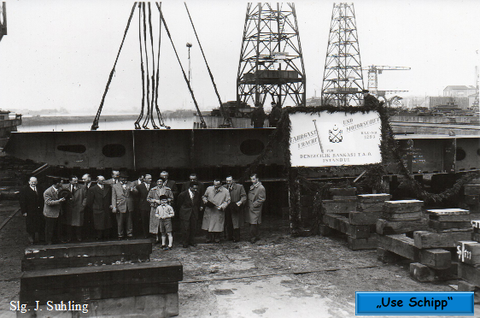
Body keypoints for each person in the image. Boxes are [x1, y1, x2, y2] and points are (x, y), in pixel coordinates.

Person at [202, 178, 231, 243]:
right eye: (214, 184)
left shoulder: (225, 191)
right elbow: (204, 196)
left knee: (218, 225)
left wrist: (222, 206)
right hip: (209, 210)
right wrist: (205, 201)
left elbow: (228, 200)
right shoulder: (209, 189)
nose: (215, 186)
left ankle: (217, 238)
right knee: (208, 225)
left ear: (221, 184)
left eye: (217, 185)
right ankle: (208, 238)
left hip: (218, 210)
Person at [19, 176, 44, 244]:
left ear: (37, 182)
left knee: (40, 223)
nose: (33, 183)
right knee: (30, 225)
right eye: (32, 182)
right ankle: (31, 239)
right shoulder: (25, 190)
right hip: (30, 211)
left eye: (35, 182)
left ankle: (40, 239)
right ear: (29, 182)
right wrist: (24, 211)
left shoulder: (40, 189)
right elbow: (22, 201)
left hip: (39, 210)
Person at [147, 178, 174, 243]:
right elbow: (148, 198)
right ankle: (157, 238)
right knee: (156, 223)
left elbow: (171, 198)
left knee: (164, 222)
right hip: (155, 208)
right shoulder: (153, 190)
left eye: (161, 181)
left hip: (165, 209)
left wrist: (165, 201)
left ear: (163, 182)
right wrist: (155, 200)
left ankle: (165, 238)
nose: (159, 183)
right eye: (158, 181)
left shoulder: (167, 190)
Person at [86, 176, 112, 240]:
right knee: (98, 224)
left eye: (104, 180)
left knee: (107, 223)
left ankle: (106, 236)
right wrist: (95, 207)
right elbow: (89, 201)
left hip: (106, 209)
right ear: (97, 181)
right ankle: (99, 236)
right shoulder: (92, 189)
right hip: (97, 209)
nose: (103, 181)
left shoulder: (108, 188)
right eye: (102, 180)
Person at [111, 172, 136, 239]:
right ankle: (120, 235)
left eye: (125, 178)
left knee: (129, 221)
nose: (124, 179)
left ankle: (129, 234)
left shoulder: (131, 184)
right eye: (122, 178)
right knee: (120, 221)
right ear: (119, 178)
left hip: (129, 205)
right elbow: (113, 197)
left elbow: (136, 192)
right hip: (120, 205)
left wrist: (133, 190)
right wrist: (114, 207)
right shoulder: (115, 186)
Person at [62, 175, 87, 242]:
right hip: (68, 208)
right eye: (74, 181)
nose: (76, 182)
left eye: (77, 181)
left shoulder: (82, 187)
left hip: (78, 208)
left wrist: (83, 206)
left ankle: (78, 237)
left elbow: (85, 197)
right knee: (68, 224)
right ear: (70, 181)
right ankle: (69, 237)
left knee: (78, 224)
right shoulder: (64, 187)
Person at [177, 181, 202, 248]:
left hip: (194, 213)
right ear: (190, 187)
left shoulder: (197, 194)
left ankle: (192, 241)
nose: (195, 190)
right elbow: (179, 204)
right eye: (194, 188)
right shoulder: (183, 194)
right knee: (185, 228)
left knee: (193, 228)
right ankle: (185, 242)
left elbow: (198, 203)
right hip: (185, 213)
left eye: (196, 188)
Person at [43, 178, 66, 244]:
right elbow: (48, 202)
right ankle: (48, 241)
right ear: (57, 183)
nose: (62, 184)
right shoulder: (47, 192)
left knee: (58, 227)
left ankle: (57, 240)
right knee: (49, 228)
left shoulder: (60, 190)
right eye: (61, 183)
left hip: (58, 212)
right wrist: (59, 201)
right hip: (50, 213)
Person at [224, 176, 246, 242]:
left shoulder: (239, 187)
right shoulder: (224, 187)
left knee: (236, 222)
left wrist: (240, 202)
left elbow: (244, 196)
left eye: (230, 181)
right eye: (227, 181)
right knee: (228, 222)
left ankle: (236, 237)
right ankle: (229, 236)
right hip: (227, 206)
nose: (228, 182)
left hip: (235, 206)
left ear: (233, 180)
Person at [247, 173, 266, 244]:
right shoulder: (253, 186)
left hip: (255, 208)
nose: (252, 180)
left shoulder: (261, 188)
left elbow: (262, 199)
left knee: (253, 223)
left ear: (257, 179)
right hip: (251, 208)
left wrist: (254, 204)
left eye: (254, 179)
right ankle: (255, 236)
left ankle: (253, 237)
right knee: (253, 223)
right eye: (251, 179)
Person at [134, 173, 153, 239]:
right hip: (143, 205)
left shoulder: (154, 185)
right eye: (148, 178)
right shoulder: (139, 186)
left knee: (152, 220)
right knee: (144, 220)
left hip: (152, 205)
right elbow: (137, 196)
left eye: (151, 178)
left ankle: (153, 233)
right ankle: (146, 234)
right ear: (144, 179)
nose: (150, 179)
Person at [82, 173, 95, 239]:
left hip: (93, 206)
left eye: (85, 179)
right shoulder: (83, 186)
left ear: (89, 178)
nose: (83, 180)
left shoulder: (94, 185)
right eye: (83, 179)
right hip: (85, 207)